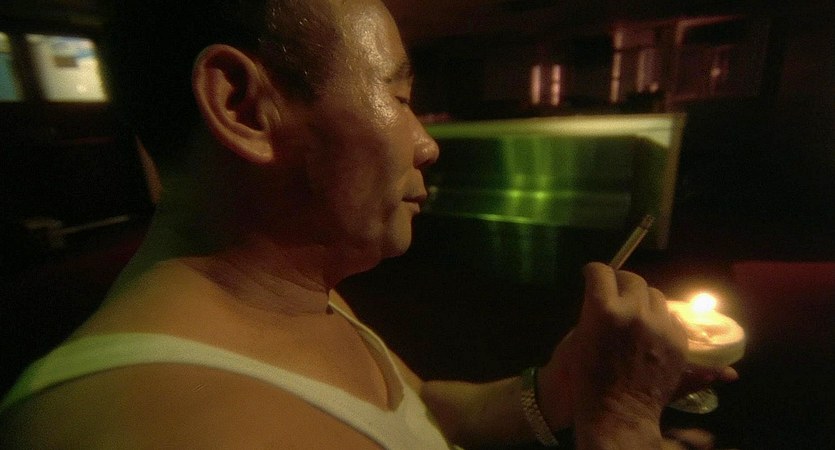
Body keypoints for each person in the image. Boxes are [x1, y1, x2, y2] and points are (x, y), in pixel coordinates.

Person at [0, 0, 736, 448]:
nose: (427, 143)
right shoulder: (166, 427)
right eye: (399, 96)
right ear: (244, 108)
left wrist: (561, 389)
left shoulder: (286, 291)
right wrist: (623, 426)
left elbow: (424, 411)